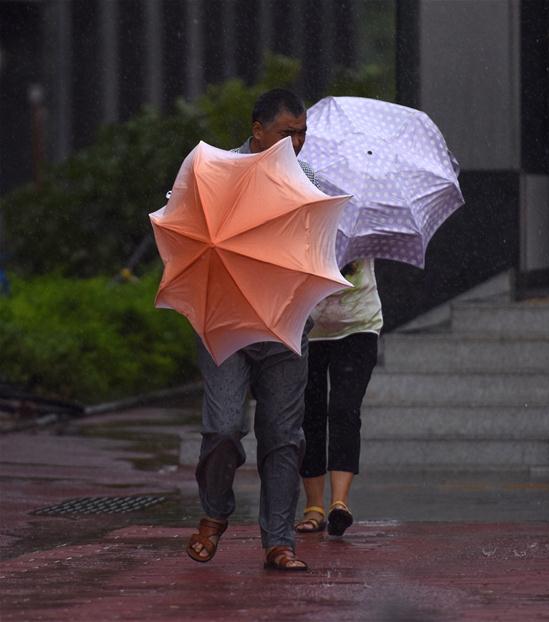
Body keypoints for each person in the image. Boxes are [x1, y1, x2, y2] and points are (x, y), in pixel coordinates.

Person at [186, 88, 316, 572]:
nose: (297, 144)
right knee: (222, 428)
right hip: (224, 322)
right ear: (257, 129)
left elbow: (322, 254)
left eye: (302, 134)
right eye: (288, 133)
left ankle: (279, 542)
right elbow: (187, 236)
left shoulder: (311, 183)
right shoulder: (214, 174)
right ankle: (215, 513)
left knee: (283, 436)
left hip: (285, 326)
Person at [294, 258, 382, 537]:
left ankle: (339, 503)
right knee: (310, 413)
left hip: (359, 326)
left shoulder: (362, 218)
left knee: (345, 409)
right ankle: (314, 507)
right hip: (306, 327)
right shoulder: (300, 220)